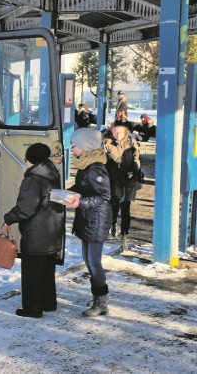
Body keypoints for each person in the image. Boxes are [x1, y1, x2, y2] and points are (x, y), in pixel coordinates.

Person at [3, 143, 64, 319]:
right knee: (46, 270)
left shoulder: (32, 180)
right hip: (52, 230)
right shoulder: (52, 173)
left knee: (32, 273)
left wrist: (8, 218)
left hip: (37, 233)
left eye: (26, 159)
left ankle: (32, 308)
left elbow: (26, 208)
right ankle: (48, 303)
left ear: (31, 160)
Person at [67, 128, 112, 317]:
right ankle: (99, 296)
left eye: (74, 145)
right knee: (88, 260)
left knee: (94, 262)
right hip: (89, 219)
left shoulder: (95, 168)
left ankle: (101, 302)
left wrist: (81, 201)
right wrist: (69, 191)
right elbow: (83, 186)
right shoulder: (86, 165)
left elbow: (104, 195)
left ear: (85, 147)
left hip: (96, 220)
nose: (72, 149)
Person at [103, 120, 141, 250]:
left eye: (119, 132)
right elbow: (102, 159)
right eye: (114, 132)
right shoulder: (107, 143)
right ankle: (113, 225)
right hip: (113, 179)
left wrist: (134, 170)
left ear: (126, 132)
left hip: (128, 180)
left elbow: (136, 158)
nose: (117, 134)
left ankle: (124, 235)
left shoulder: (131, 143)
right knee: (113, 206)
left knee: (126, 209)